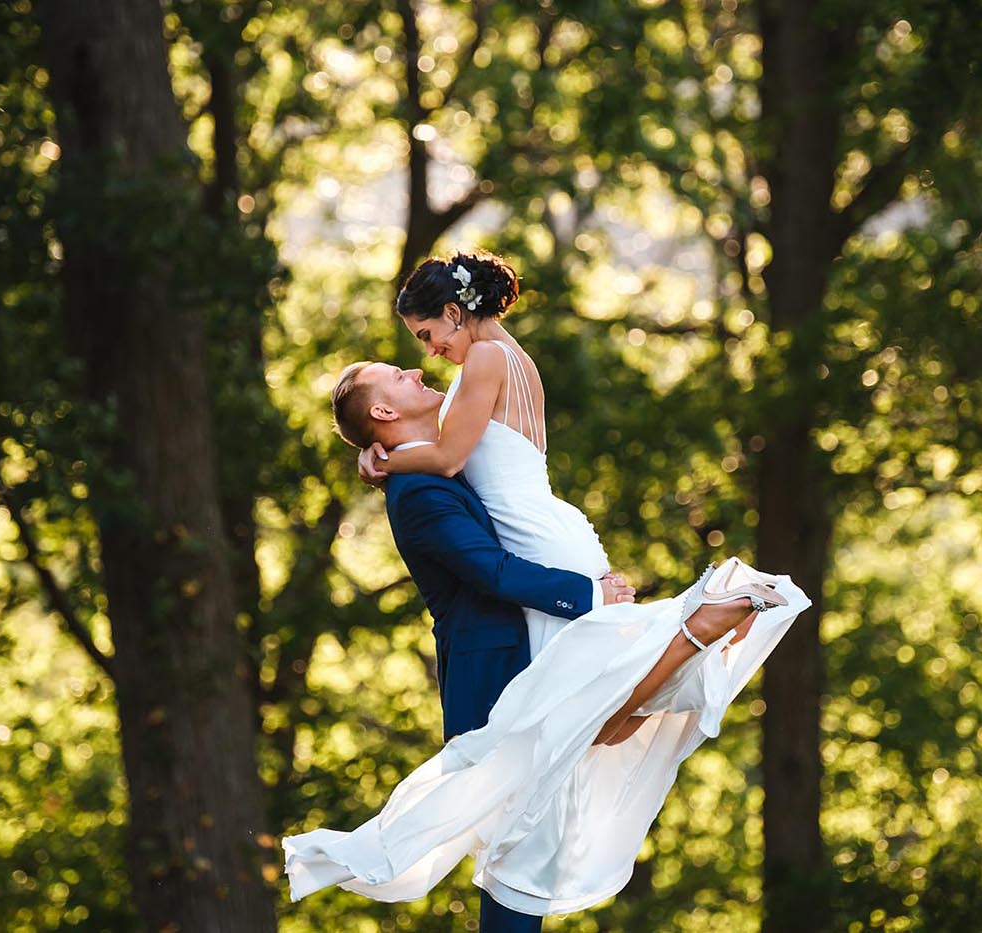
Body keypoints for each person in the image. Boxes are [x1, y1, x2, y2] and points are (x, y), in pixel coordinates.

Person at [283, 250, 810, 920]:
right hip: (549, 542)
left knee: (559, 743)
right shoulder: (484, 376)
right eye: (410, 357)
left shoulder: (473, 378)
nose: (424, 358)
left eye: (425, 337)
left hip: (541, 552)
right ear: (388, 406)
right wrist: (376, 448)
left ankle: (692, 626)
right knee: (586, 727)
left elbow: (447, 459)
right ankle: (691, 630)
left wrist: (385, 457)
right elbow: (440, 445)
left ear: (454, 311)